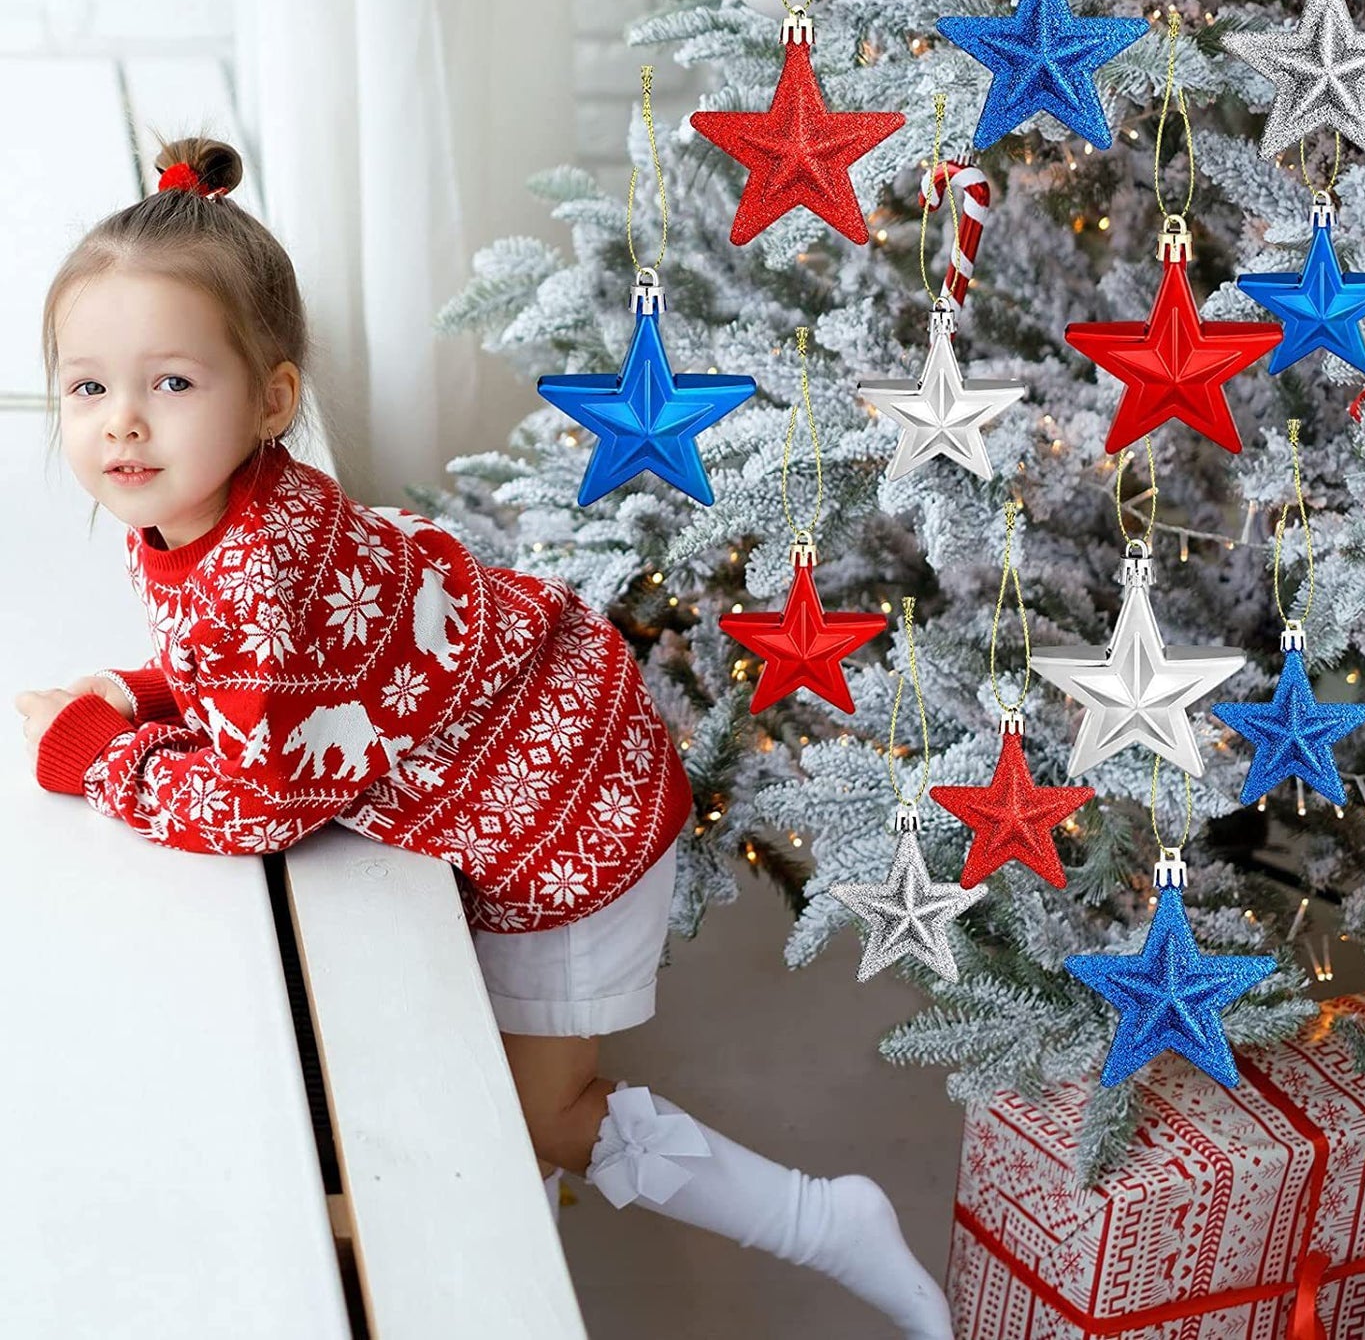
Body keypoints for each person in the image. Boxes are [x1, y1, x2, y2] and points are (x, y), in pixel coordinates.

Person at [13, 137, 952, 1338]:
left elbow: (260, 800)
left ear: (272, 397)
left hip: (568, 818)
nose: (122, 426)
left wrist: (100, 755)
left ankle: (824, 1219)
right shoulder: (225, 510)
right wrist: (143, 691)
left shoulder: (259, 569)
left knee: (536, 1120)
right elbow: (268, 678)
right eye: (88, 387)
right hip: (546, 730)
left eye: (172, 385)